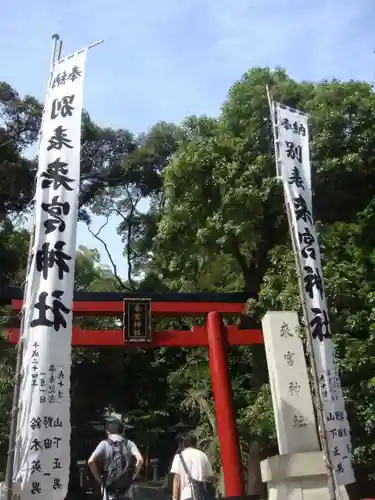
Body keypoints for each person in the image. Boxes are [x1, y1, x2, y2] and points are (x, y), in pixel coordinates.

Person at [88, 419, 144, 500]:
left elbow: (90, 461)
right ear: (122, 431)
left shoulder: (104, 444)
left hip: (109, 488)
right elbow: (140, 460)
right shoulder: (129, 443)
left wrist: (100, 480)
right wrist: (132, 476)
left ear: (108, 432)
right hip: (126, 489)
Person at [170, 433, 213, 500]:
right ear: (195, 443)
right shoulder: (203, 455)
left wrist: (174, 498)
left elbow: (177, 479)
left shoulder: (179, 457)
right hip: (202, 495)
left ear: (184, 443)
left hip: (186, 495)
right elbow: (209, 478)